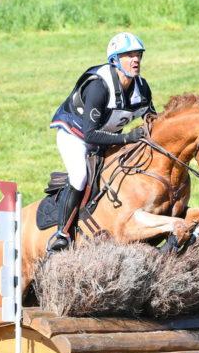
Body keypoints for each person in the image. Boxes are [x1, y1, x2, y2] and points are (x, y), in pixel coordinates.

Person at [47, 33, 156, 252]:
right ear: (115, 60)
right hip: (75, 135)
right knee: (79, 176)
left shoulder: (141, 88)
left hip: (107, 137)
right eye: (128, 55)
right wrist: (127, 138)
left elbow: (153, 121)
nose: (136, 60)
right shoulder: (99, 87)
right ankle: (62, 234)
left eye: (138, 55)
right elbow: (90, 135)